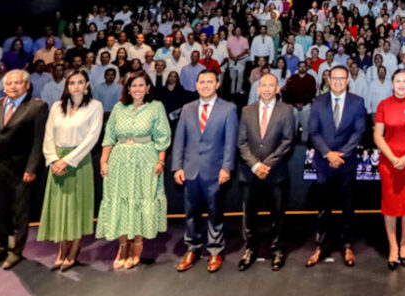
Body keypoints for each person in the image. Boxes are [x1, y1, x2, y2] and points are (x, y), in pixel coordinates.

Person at [0, 69, 48, 270]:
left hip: (20, 169)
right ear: (3, 86)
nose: (13, 86)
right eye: (9, 83)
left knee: (19, 213)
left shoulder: (37, 107)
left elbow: (38, 142)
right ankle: (0, 247)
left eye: (17, 83)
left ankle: (16, 252)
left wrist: (32, 168)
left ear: (27, 85)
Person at [95, 70, 171, 269]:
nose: (137, 89)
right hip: (119, 160)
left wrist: (161, 162)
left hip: (145, 159)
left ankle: (137, 245)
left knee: (139, 200)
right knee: (120, 201)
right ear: (128, 88)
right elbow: (109, 136)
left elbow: (163, 137)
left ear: (147, 89)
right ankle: (122, 246)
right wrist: (104, 162)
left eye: (141, 85)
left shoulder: (156, 107)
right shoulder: (119, 108)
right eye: (133, 85)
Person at [173, 69, 238, 273]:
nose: (206, 85)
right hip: (190, 170)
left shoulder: (228, 109)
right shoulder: (187, 109)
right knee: (191, 212)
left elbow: (230, 142)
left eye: (210, 82)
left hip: (215, 171)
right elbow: (179, 140)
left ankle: (215, 251)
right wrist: (177, 167)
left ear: (217, 84)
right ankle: (192, 248)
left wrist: (227, 167)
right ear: (196, 85)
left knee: (214, 212)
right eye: (202, 82)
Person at [37, 71, 103, 271]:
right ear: (66, 86)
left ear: (87, 85)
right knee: (59, 208)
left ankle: (73, 249)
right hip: (56, 164)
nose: (76, 86)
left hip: (78, 163)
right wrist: (53, 159)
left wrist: (67, 161)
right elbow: (48, 135)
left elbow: (92, 139)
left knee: (76, 208)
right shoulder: (57, 107)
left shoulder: (95, 106)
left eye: (80, 82)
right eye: (72, 82)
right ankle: (61, 249)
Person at [305, 65, 367, 268]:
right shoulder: (318, 102)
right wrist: (328, 153)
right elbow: (313, 132)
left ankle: (347, 245)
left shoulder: (357, 102)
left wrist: (341, 154)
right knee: (323, 208)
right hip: (324, 163)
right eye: (335, 78)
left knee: (348, 206)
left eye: (342, 78)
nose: (338, 81)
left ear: (348, 80)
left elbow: (359, 132)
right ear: (328, 80)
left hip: (347, 163)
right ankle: (321, 246)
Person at [236, 73, 295, 272]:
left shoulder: (287, 111)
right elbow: (242, 142)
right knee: (249, 216)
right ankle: (250, 249)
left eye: (272, 85)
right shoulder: (246, 110)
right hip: (249, 173)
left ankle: (277, 249)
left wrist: (266, 165)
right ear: (258, 89)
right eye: (264, 85)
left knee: (277, 215)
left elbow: (288, 142)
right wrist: (254, 165)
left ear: (278, 89)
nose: (268, 89)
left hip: (276, 173)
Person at [373, 68, 405, 269]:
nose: (401, 85)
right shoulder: (383, 105)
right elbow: (378, 135)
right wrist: (393, 157)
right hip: (389, 162)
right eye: (398, 81)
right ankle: (393, 246)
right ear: (392, 83)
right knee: (390, 205)